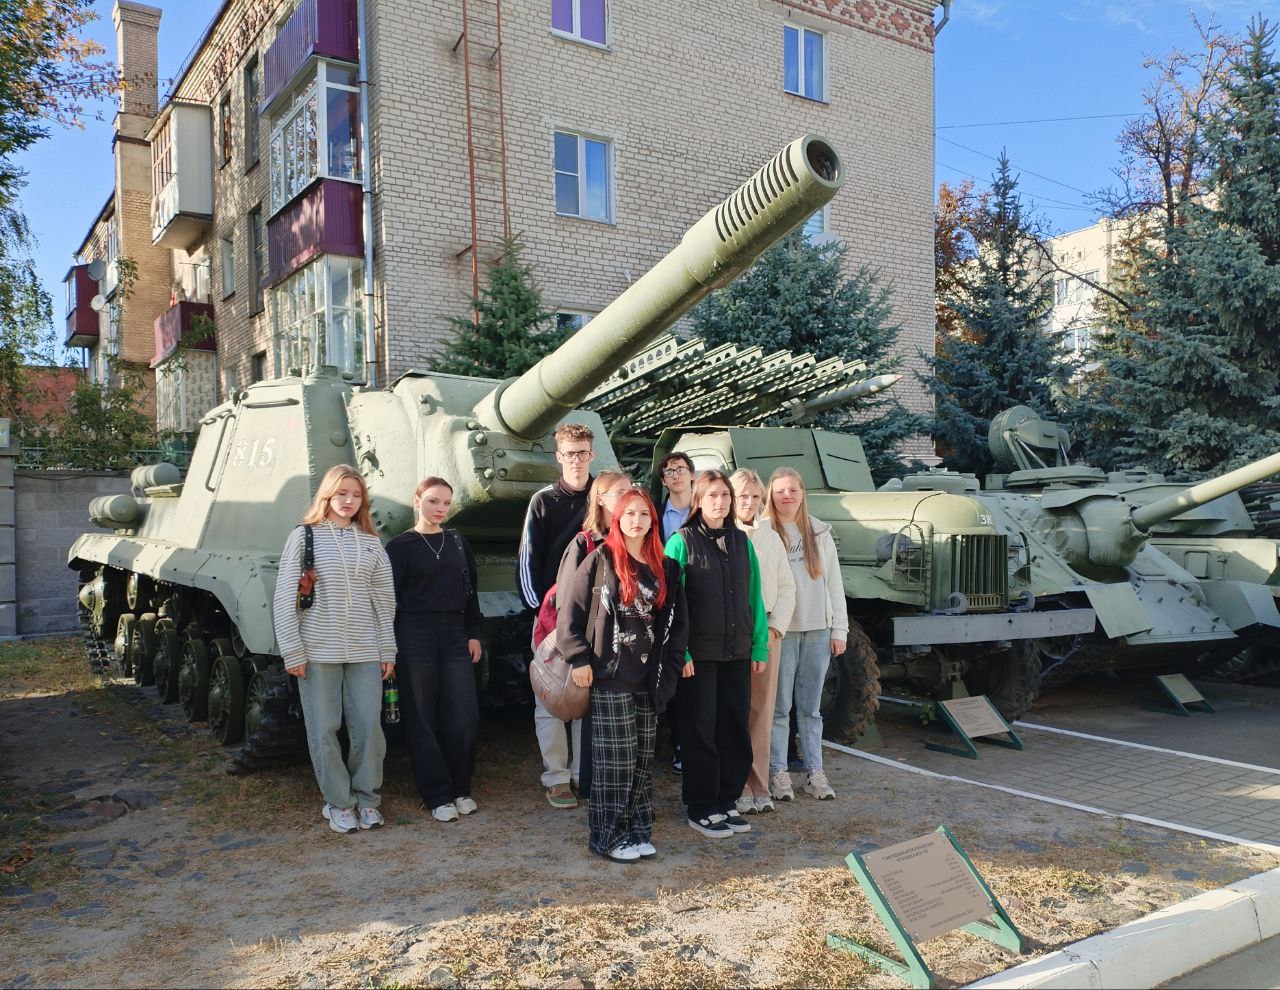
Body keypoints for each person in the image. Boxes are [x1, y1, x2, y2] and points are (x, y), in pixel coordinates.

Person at [559, 490, 687, 862]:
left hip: (650, 680)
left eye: (644, 514)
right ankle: (608, 837)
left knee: (643, 761)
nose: (636, 520)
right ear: (617, 519)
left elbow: (678, 627)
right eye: (629, 513)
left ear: (653, 521)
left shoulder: (668, 568)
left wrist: (671, 671)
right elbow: (570, 613)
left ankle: (637, 831)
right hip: (610, 676)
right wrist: (579, 660)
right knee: (616, 762)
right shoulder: (601, 560)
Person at [272, 464, 397, 834]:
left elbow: (383, 601)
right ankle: (339, 803)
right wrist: (292, 650)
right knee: (324, 728)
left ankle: (368, 799)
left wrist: (387, 650)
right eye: (341, 493)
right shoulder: (304, 537)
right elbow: (285, 597)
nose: (348, 501)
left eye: (356, 495)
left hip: (364, 649)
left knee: (368, 727)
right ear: (327, 495)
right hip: (317, 651)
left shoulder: (371, 543)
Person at [664, 469, 768, 838]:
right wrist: (681, 653)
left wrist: (759, 645)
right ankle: (701, 805)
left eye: (725, 495)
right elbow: (669, 605)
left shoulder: (742, 543)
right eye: (712, 495)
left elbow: (754, 597)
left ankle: (726, 800)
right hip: (697, 657)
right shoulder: (680, 542)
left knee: (733, 729)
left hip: (737, 653)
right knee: (700, 731)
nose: (720, 502)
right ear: (698, 501)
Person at [386, 477, 484, 823]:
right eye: (432, 501)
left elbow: (471, 591)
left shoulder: (457, 541)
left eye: (446, 503)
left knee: (463, 715)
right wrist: (388, 647)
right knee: (422, 716)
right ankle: (437, 794)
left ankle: (460, 788)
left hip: (455, 632)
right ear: (417, 501)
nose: (440, 509)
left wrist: (474, 633)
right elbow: (389, 600)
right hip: (414, 633)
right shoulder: (399, 547)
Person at [517, 422, 595, 809]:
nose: (576, 460)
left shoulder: (600, 498)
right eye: (569, 454)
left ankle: (583, 773)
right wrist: (540, 610)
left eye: (582, 453)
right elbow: (527, 560)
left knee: (586, 696)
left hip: (595, 617)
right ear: (559, 456)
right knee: (550, 695)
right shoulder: (543, 501)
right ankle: (557, 777)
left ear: (592, 454)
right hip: (552, 618)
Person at [765, 466, 847, 802]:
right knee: (779, 707)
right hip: (781, 632)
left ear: (802, 494)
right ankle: (778, 773)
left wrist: (839, 629)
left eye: (793, 490)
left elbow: (835, 584)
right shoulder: (764, 531)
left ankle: (815, 772)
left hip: (817, 630)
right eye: (780, 490)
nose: (787, 496)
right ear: (771, 495)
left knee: (811, 709)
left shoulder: (819, 532)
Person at [554, 469, 633, 802]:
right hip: (596, 652)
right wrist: (578, 656)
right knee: (593, 729)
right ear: (600, 500)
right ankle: (596, 796)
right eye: (620, 493)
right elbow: (568, 605)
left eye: (632, 491)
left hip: (629, 656)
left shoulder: (638, 541)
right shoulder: (584, 544)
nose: (629, 498)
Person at [730, 468, 796, 815]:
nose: (749, 502)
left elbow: (786, 587)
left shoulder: (771, 538)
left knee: (761, 712)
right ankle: (737, 785)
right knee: (734, 711)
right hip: (732, 634)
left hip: (767, 633)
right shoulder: (724, 534)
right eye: (743, 496)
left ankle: (759, 784)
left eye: (755, 497)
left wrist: (775, 629)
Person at [658, 452, 696, 542]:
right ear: (663, 481)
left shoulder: (704, 509)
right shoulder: (656, 515)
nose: (675, 476)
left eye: (680, 470)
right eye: (669, 472)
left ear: (692, 475)